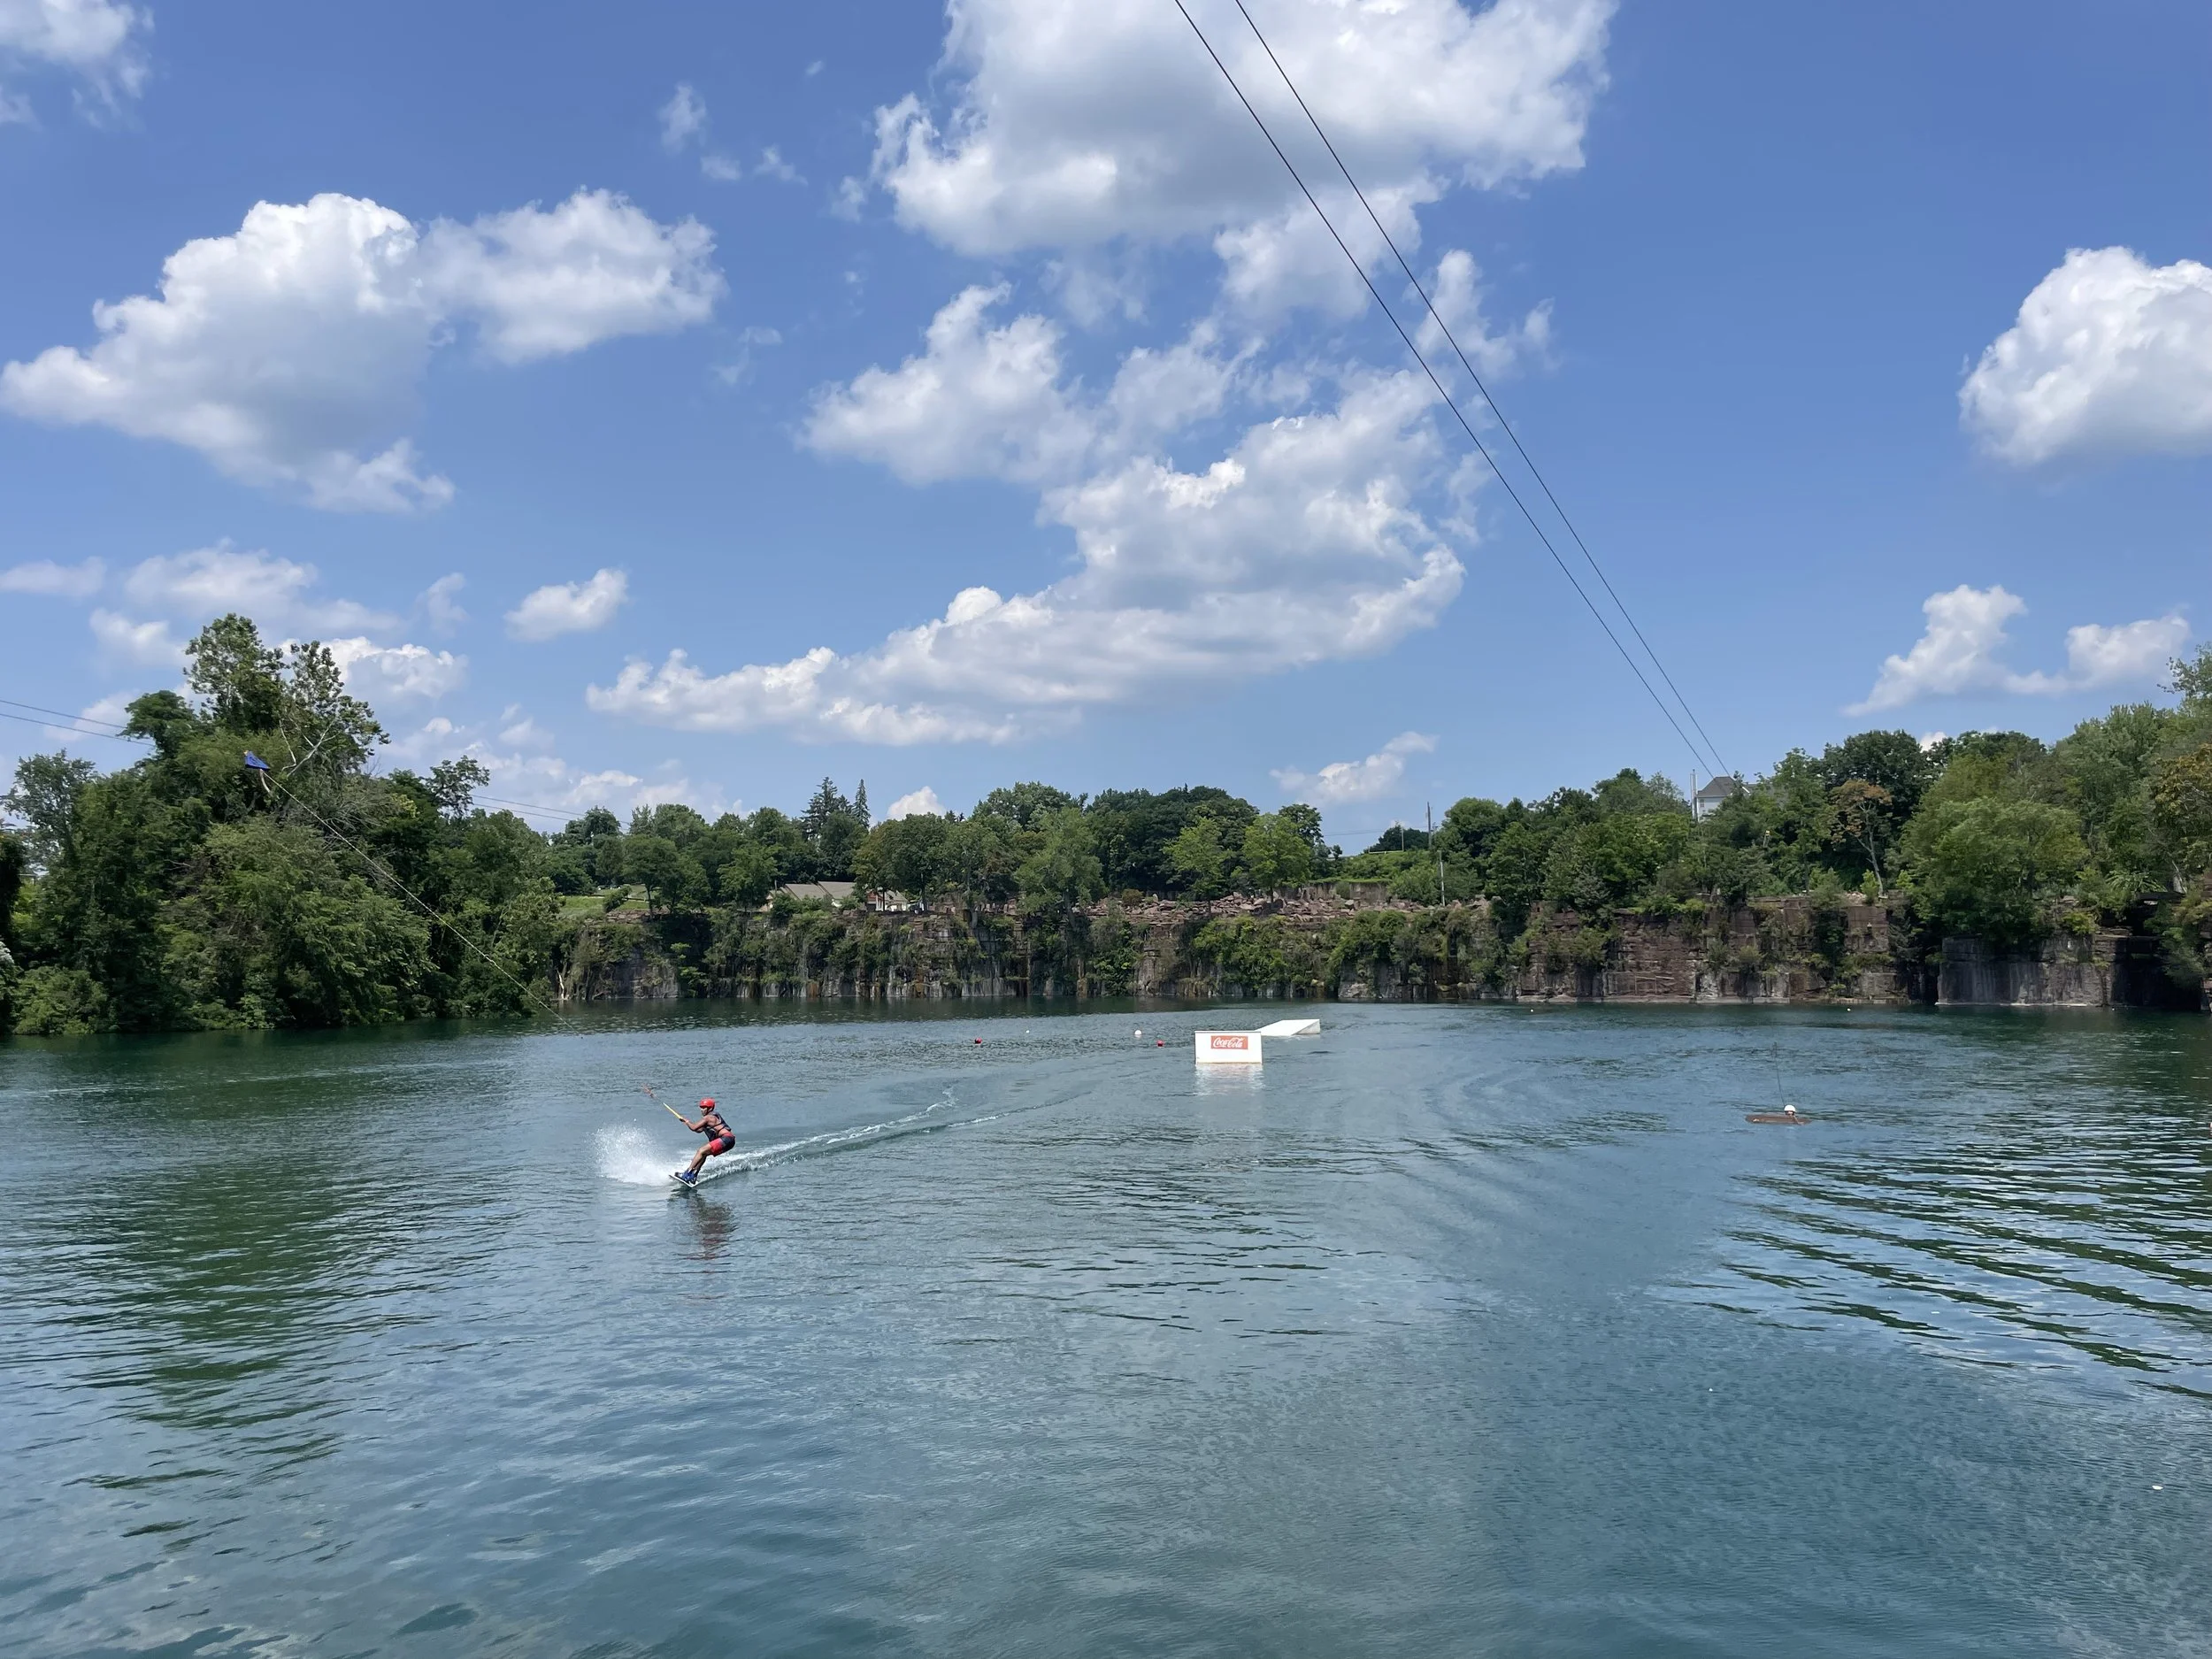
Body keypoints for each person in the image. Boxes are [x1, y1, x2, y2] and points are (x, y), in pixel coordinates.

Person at [674, 1097, 735, 1186]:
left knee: (701, 1151)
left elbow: (694, 1127)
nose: (701, 1110)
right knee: (704, 1154)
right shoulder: (710, 1119)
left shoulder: (709, 1118)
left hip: (727, 1139)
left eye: (704, 1107)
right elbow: (698, 1130)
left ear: (710, 1109)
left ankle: (686, 1174)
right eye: (701, 1107)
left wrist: (687, 1122)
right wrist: (685, 1122)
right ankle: (693, 1176)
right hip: (729, 1142)